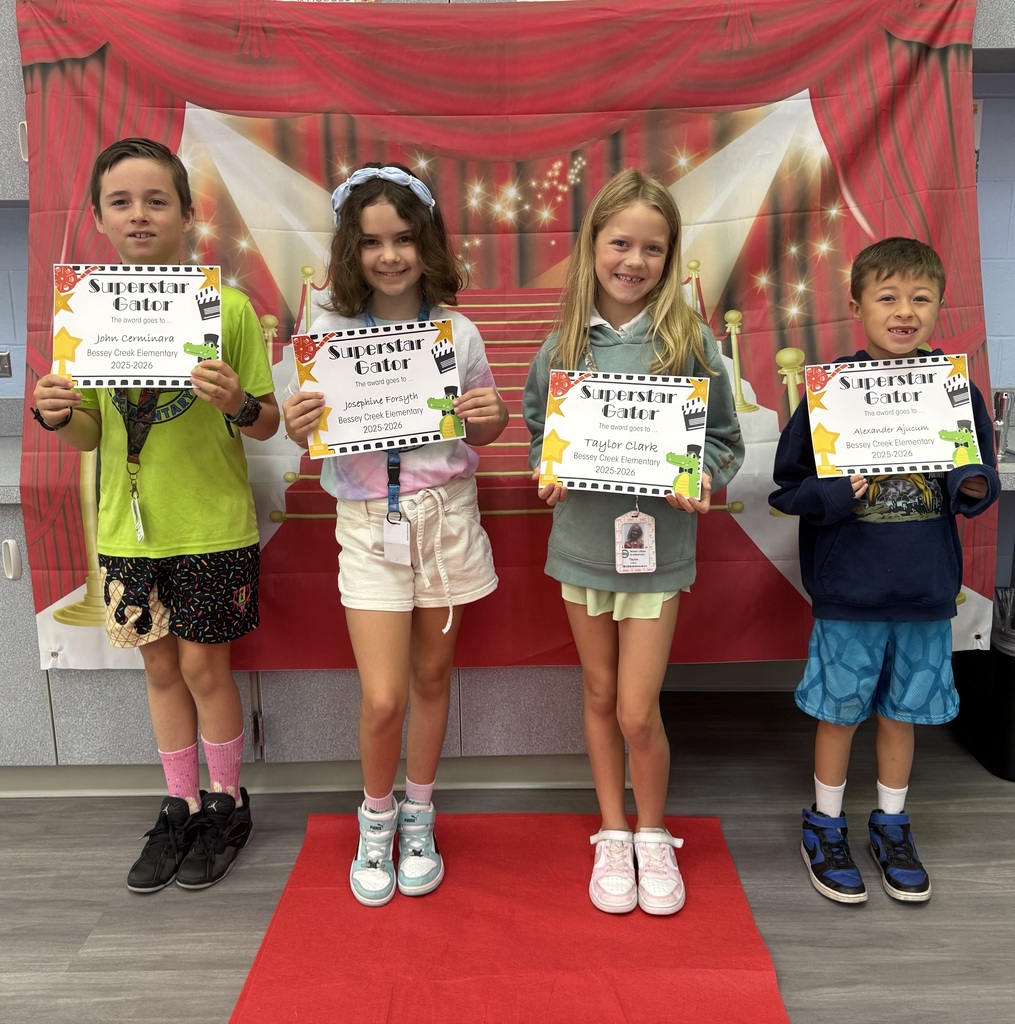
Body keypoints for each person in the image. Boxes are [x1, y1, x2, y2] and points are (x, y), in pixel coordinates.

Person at [32, 138, 279, 892]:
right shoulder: (85, 316)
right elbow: (91, 431)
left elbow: (266, 422)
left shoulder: (229, 309)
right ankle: (178, 804)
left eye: (155, 200)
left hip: (210, 525)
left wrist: (236, 401)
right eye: (121, 202)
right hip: (126, 531)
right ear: (100, 218)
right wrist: (54, 414)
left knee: (206, 666)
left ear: (188, 213)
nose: (139, 214)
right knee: (159, 667)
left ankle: (226, 800)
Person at [282, 163, 508, 907]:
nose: (389, 256)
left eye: (403, 239)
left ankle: (420, 815)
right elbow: (304, 428)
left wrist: (487, 416)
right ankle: (374, 819)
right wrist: (297, 423)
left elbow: (494, 421)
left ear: (425, 243)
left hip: (445, 518)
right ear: (351, 248)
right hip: (367, 524)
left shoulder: (457, 330)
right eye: (372, 241)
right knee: (382, 697)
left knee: (432, 679)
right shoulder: (325, 332)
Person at [523, 169, 744, 915]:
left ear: (670, 256)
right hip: (582, 548)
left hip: (656, 554)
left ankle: (653, 831)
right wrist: (545, 471)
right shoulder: (561, 346)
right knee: (595, 692)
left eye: (652, 248)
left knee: (635, 710)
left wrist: (700, 476)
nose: (633, 260)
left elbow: (721, 440)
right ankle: (611, 832)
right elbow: (536, 432)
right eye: (620, 242)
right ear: (591, 247)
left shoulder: (690, 341)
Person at [769, 236, 1000, 905]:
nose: (905, 311)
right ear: (856, 306)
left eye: (920, 298)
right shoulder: (828, 396)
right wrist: (840, 491)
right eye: (888, 297)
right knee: (839, 714)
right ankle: (824, 824)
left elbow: (976, 475)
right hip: (849, 593)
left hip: (925, 592)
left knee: (902, 716)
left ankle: (890, 825)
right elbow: (788, 491)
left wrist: (969, 485)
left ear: (937, 308)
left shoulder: (954, 393)